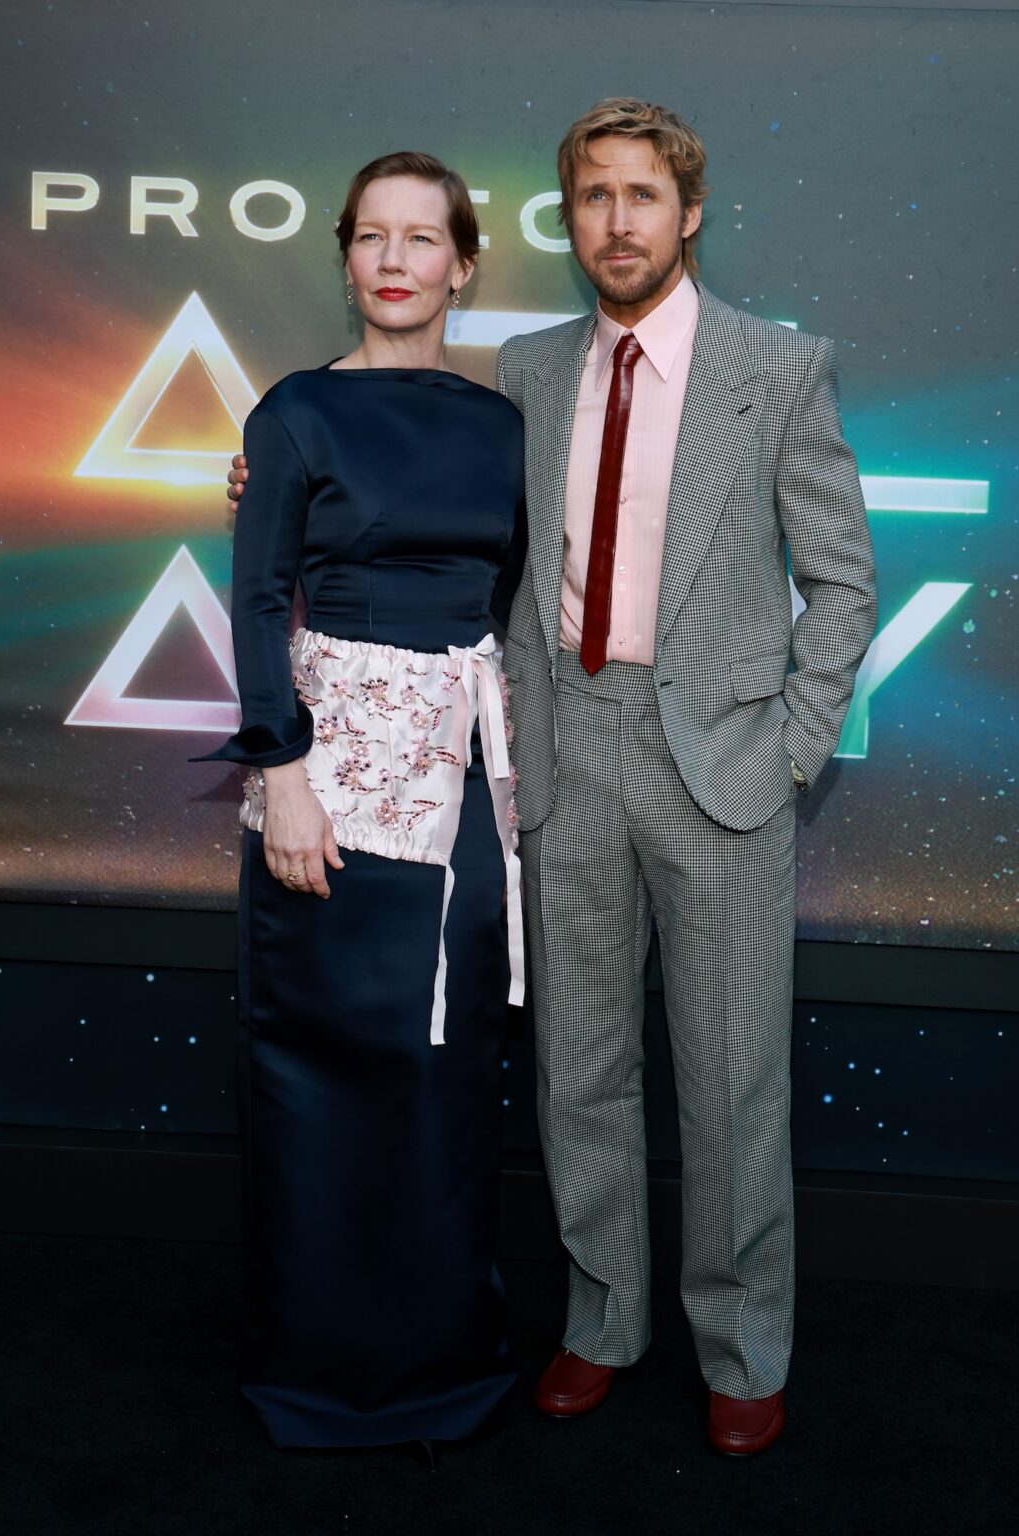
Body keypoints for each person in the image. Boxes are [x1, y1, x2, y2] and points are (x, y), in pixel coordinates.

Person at [229, 99, 878, 1457]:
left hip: (722, 771)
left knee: (729, 1080)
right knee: (578, 1073)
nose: (617, 222)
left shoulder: (778, 366)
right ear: (566, 219)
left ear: (687, 213)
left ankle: (739, 1345)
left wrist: (793, 747)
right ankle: (599, 1323)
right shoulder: (522, 371)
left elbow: (840, 582)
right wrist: (268, 479)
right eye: (593, 198)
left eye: (642, 197)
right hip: (559, 756)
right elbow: (400, 473)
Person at [203, 150, 526, 1452]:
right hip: (324, 795)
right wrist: (279, 777)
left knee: (443, 1076)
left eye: (422, 237)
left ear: (461, 263)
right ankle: (323, 1370)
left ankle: (444, 1355)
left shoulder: (505, 426)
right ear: (346, 257)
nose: (395, 258)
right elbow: (254, 598)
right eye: (371, 236)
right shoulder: (292, 414)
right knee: (321, 1072)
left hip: (460, 805)